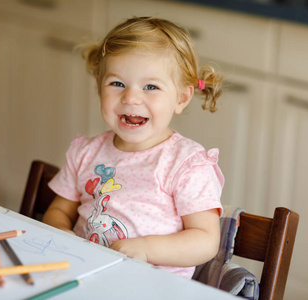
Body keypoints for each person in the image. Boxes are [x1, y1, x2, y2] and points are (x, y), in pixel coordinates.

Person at [43, 16, 224, 279]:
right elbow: (59, 211)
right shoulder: (86, 153)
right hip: (86, 275)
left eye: (151, 87)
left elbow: (205, 240)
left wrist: (147, 249)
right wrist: (61, 232)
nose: (131, 98)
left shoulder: (186, 164)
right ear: (98, 85)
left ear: (182, 98)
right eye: (117, 84)